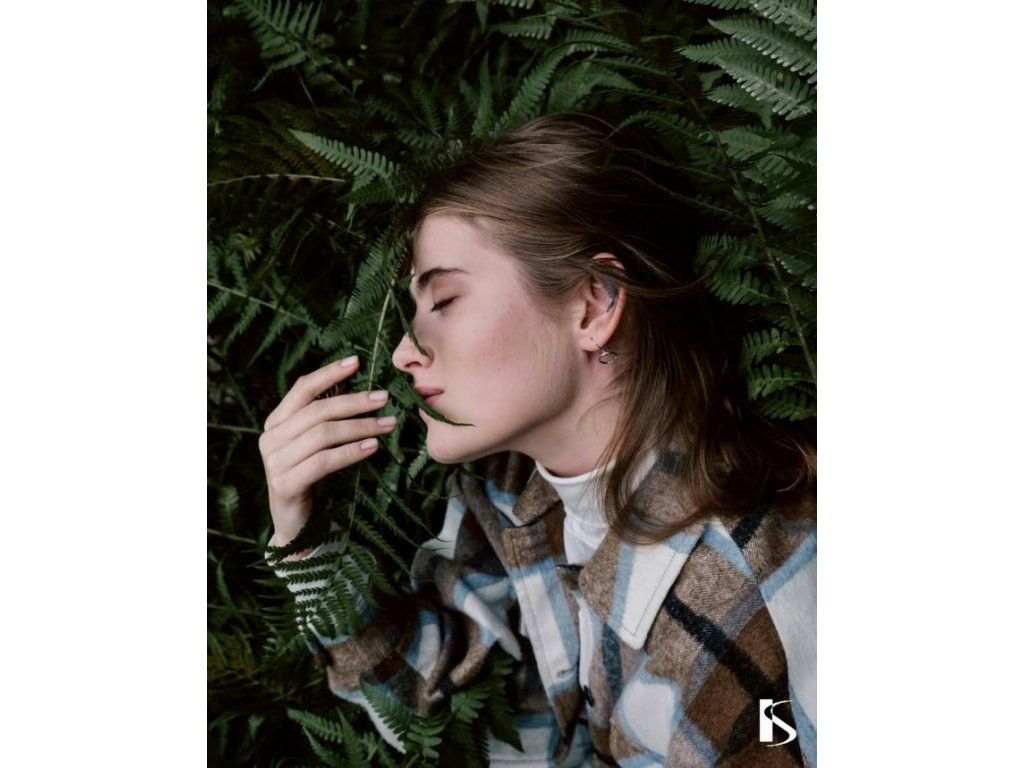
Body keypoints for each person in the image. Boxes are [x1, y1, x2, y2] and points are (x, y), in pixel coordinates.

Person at [259, 112, 817, 767]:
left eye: (444, 301)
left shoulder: (745, 589)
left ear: (594, 304)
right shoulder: (513, 492)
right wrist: (303, 538)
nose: (406, 352)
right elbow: (432, 696)